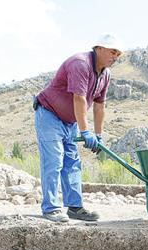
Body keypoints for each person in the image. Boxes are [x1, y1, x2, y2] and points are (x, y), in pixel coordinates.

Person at [33, 34, 123, 222]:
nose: (115, 56)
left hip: (70, 121)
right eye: (112, 51)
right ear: (99, 48)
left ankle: (75, 207)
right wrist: (85, 132)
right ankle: (51, 208)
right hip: (49, 114)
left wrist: (98, 135)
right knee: (54, 161)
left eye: (118, 54)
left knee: (72, 163)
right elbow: (79, 99)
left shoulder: (105, 74)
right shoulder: (80, 64)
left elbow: (99, 106)